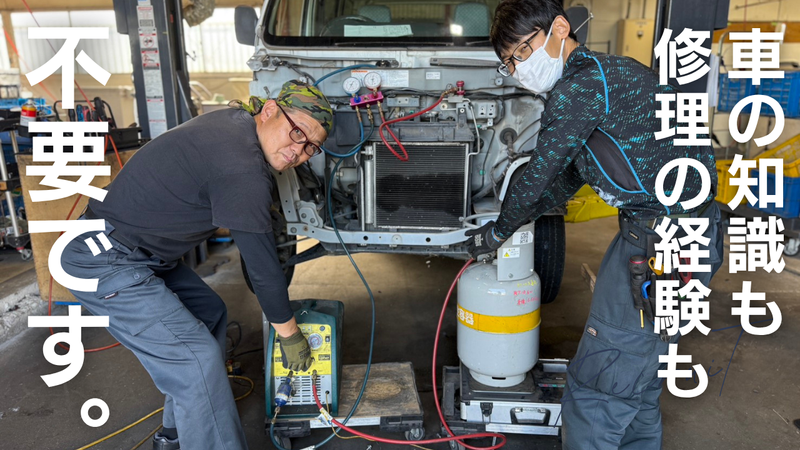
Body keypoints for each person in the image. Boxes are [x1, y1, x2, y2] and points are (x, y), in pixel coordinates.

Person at [466, 1, 724, 449]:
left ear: (560, 29)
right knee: (638, 382)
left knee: (598, 387)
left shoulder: (580, 87)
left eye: (521, 52)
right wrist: (519, 217)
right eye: (509, 63)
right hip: (688, 236)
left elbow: (540, 171)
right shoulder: (609, 75)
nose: (518, 68)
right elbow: (562, 181)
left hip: (659, 246)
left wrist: (496, 231)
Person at [60, 80, 333, 450]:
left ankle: (175, 434)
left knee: (209, 312)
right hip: (104, 258)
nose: (298, 151)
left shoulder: (238, 123)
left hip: (143, 253)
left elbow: (260, 260)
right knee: (197, 362)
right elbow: (263, 265)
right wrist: (290, 334)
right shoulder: (242, 167)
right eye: (296, 132)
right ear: (269, 110)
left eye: (310, 147)